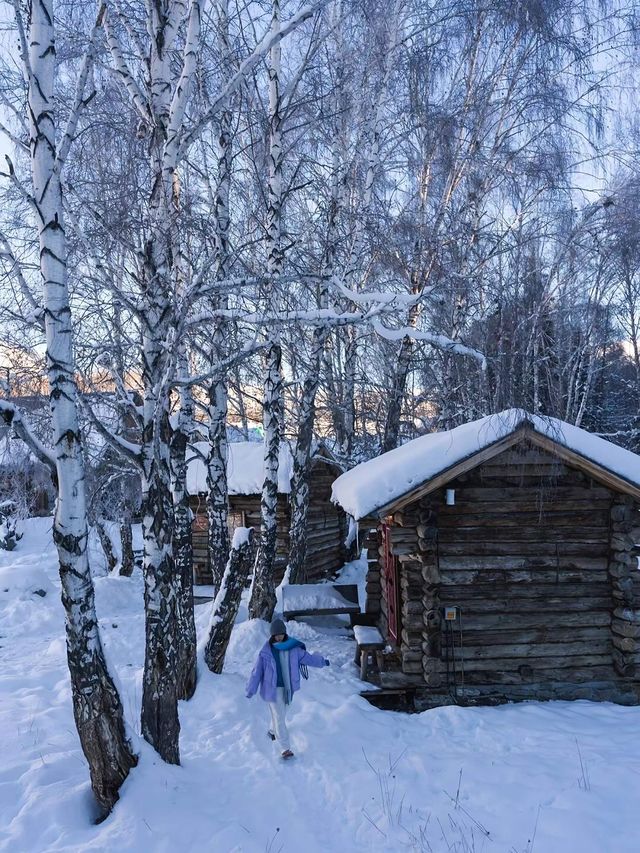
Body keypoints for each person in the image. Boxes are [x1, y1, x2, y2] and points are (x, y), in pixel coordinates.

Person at [246, 617, 330, 759]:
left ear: (285, 633)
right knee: (279, 717)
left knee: (282, 714)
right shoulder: (266, 652)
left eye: (281, 634)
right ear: (272, 635)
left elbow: (308, 658)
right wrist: (251, 689)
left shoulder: (293, 648)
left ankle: (272, 731)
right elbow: (257, 672)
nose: (279, 637)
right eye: (276, 634)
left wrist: (322, 662)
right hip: (272, 689)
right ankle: (285, 748)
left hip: (288, 688)